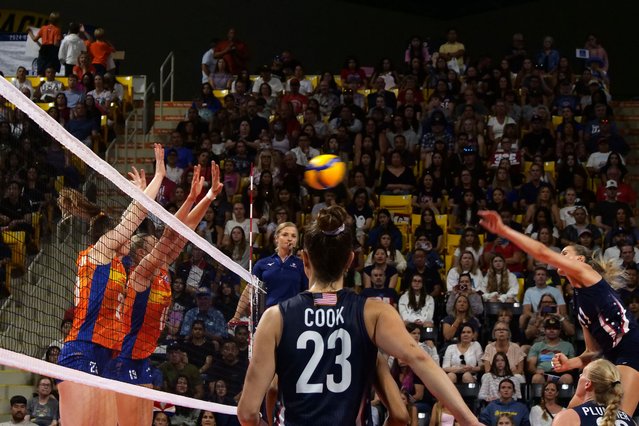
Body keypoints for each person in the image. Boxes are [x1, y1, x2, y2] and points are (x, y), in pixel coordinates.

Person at [237, 206, 483, 425]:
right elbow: (418, 368)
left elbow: (248, 413)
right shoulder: (374, 314)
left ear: (305, 259)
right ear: (351, 260)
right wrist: (470, 421)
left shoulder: (274, 318)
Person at [479, 210, 639, 416]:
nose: (559, 258)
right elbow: (592, 351)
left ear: (580, 259)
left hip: (631, 348)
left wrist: (504, 230)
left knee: (620, 418)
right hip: (609, 358)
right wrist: (569, 363)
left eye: (564, 253)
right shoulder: (578, 301)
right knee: (571, 412)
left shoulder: (587, 274)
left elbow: (542, 252)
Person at [104, 163, 223, 426]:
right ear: (140, 255)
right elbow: (170, 234)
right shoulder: (140, 275)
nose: (158, 245)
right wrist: (191, 197)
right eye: (151, 245)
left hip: (141, 357)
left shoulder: (160, 271)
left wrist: (209, 197)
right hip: (123, 358)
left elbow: (182, 233)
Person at [56, 145, 166, 425]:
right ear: (108, 237)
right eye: (120, 235)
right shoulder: (98, 251)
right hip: (83, 348)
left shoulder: (118, 265)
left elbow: (134, 226)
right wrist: (155, 180)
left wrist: (141, 194)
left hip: (106, 352)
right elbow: (131, 222)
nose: (127, 238)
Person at [231, 222, 307, 323]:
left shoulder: (302, 265)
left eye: (293, 236)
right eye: (285, 235)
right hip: (268, 317)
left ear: (296, 241)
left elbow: (309, 292)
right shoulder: (262, 263)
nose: (289, 239)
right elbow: (250, 289)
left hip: (293, 317)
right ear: (276, 238)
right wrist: (236, 316)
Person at [553, 359, 637, 426]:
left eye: (582, 374)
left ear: (587, 384)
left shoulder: (569, 417)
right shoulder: (630, 421)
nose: (579, 376)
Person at [29, 12, 62, 76]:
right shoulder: (57, 30)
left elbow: (35, 39)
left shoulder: (43, 28)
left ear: (49, 19)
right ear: (58, 21)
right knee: (51, 72)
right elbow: (55, 43)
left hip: (43, 50)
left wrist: (30, 33)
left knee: (41, 70)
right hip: (52, 50)